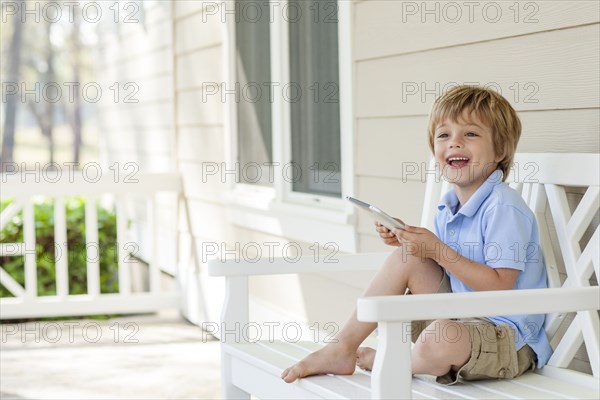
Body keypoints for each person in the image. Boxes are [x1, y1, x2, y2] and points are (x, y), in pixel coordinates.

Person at [281, 85, 552, 385]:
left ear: (499, 150)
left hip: (505, 336)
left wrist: (436, 249)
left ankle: (398, 361)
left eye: (470, 134)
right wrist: (411, 240)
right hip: (462, 317)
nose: (455, 144)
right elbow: (446, 265)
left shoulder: (503, 206)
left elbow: (500, 288)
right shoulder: (448, 207)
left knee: (437, 340)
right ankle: (342, 348)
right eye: (444, 135)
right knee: (407, 257)